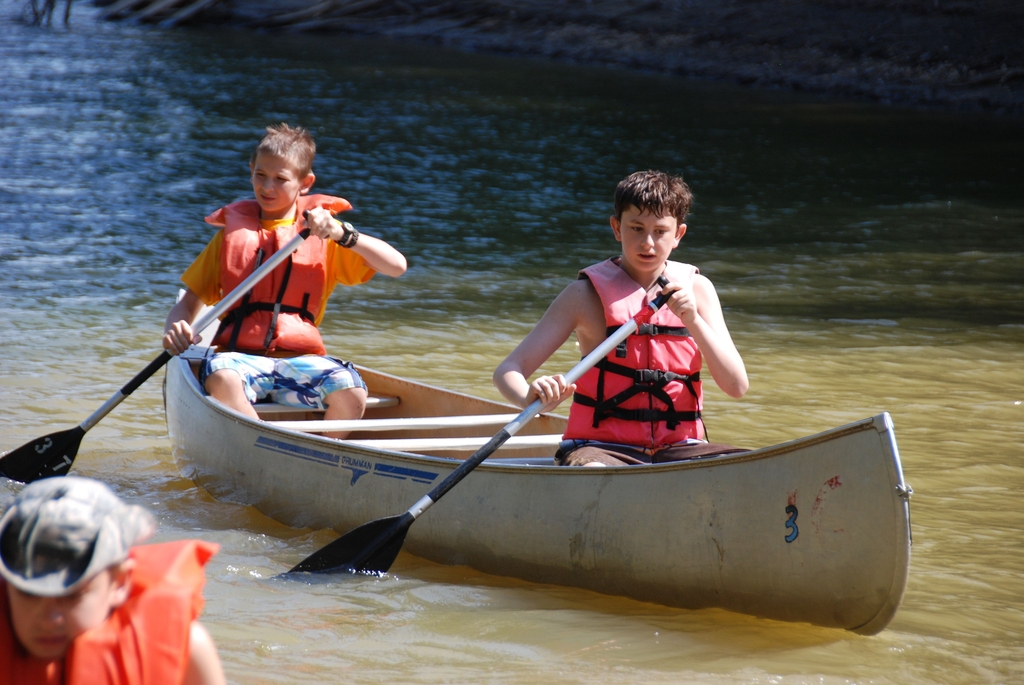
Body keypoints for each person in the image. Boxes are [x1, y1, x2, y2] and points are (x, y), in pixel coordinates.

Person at [493, 170, 749, 466]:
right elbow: (507, 370)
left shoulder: (699, 291)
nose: (648, 244)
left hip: (680, 446)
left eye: (660, 231)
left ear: (678, 234)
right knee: (595, 471)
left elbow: (736, 387)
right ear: (617, 228)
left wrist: (693, 320)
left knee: (752, 466)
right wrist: (530, 397)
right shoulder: (582, 295)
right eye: (636, 228)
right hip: (600, 448)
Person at [163, 124, 407, 433]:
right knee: (222, 379)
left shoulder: (324, 233)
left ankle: (323, 453)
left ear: (305, 183)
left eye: (280, 179)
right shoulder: (230, 236)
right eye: (260, 175)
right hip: (238, 359)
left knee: (352, 391)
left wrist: (341, 233)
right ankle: (260, 443)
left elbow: (397, 266)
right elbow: (187, 304)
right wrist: (175, 329)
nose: (267, 187)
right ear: (251, 169)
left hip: (300, 362)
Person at [0, 476, 225, 685]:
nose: (49, 619)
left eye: (72, 595)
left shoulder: (184, 649)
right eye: (28, 593)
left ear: (119, 582)